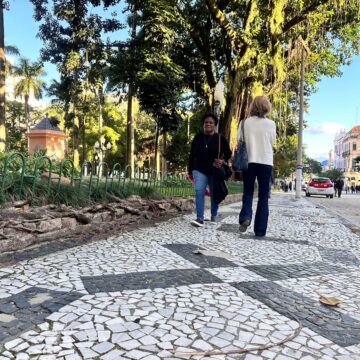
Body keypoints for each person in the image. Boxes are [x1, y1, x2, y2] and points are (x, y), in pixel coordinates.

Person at [238, 96, 276, 237]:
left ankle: (245, 217)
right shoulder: (271, 124)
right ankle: (260, 230)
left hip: (249, 161)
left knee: (248, 192)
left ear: (252, 106)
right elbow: (272, 141)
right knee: (263, 196)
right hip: (266, 162)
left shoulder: (244, 123)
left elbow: (240, 140)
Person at [188, 113, 232, 227]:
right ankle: (199, 218)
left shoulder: (220, 138)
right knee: (199, 192)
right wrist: (189, 171)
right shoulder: (197, 138)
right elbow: (192, 155)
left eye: (211, 122)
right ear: (203, 124)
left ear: (215, 125)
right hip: (199, 169)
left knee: (214, 192)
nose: (208, 124)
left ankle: (214, 214)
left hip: (214, 170)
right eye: (206, 122)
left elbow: (228, 152)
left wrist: (222, 161)